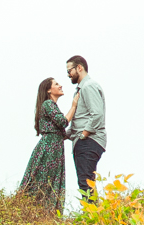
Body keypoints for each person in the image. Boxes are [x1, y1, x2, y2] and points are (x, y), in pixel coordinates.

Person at [17, 77, 77, 213]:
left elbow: (61, 131)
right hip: (49, 149)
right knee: (46, 182)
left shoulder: (51, 105)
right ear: (49, 90)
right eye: (56, 84)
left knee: (50, 182)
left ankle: (46, 214)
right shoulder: (48, 104)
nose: (60, 86)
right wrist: (73, 106)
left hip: (54, 148)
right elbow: (62, 122)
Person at [66, 55, 106, 202]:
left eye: (69, 70)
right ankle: (94, 217)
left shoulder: (89, 86)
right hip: (83, 141)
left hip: (89, 141)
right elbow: (79, 120)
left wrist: (83, 134)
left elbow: (97, 114)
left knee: (86, 182)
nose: (68, 75)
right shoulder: (80, 90)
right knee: (86, 181)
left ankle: (92, 218)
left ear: (79, 68)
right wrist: (63, 134)